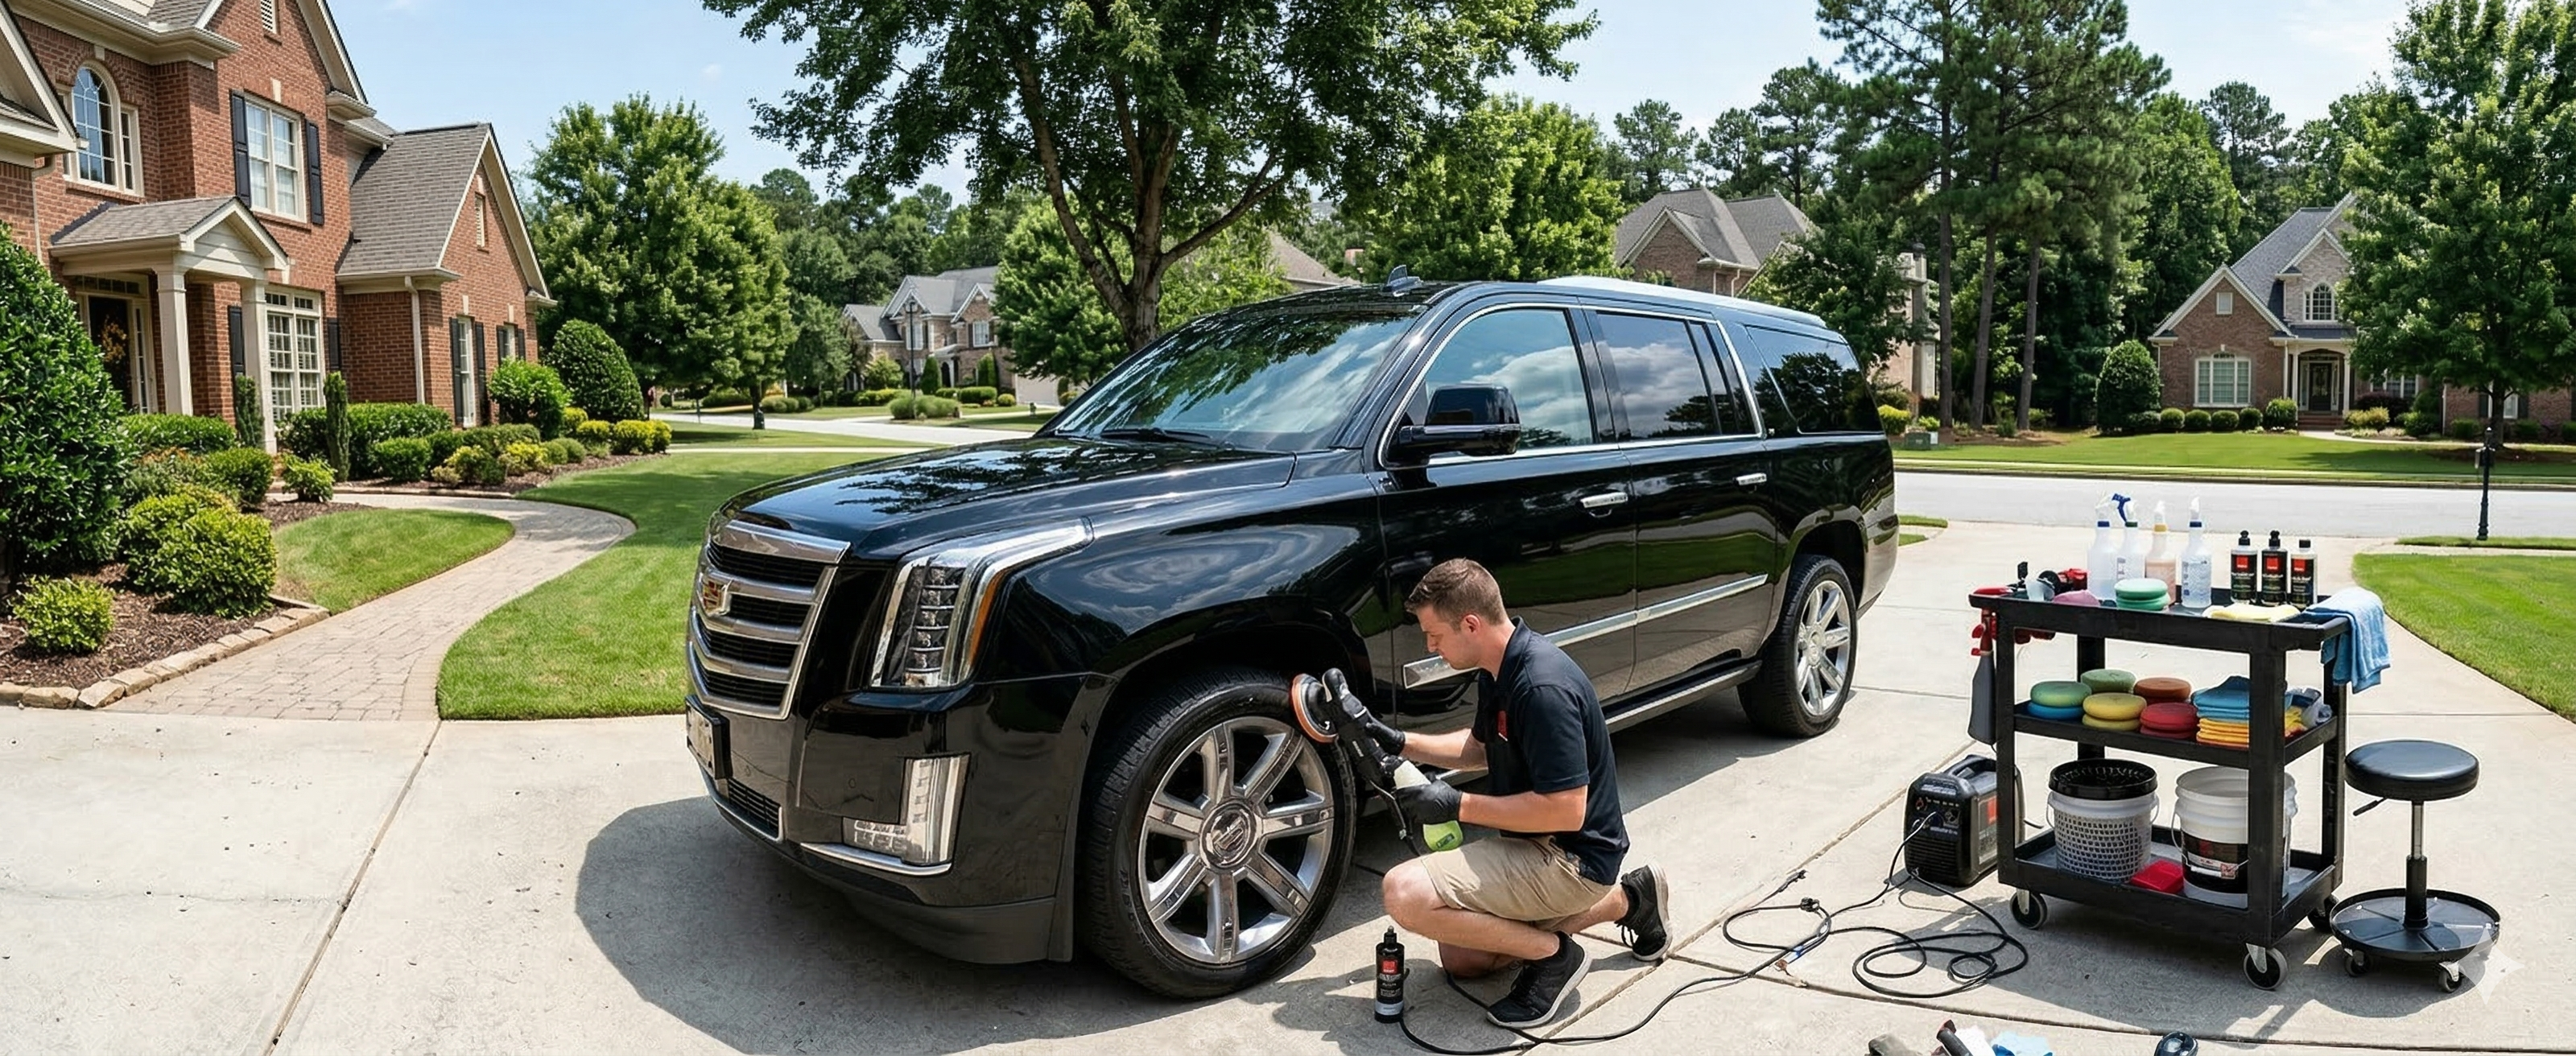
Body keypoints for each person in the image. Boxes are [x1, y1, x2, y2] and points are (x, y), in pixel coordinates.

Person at [1365, 559, 1669, 1030]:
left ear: (1471, 624)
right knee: (1463, 958)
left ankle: (1554, 959)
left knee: (1404, 894)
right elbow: (1478, 750)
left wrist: (1457, 804)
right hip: (1537, 846)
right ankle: (1632, 899)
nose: (1430, 646)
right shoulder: (1499, 668)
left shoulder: (1541, 687)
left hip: (1572, 859)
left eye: (1435, 634)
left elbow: (1567, 811)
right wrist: (1398, 740)